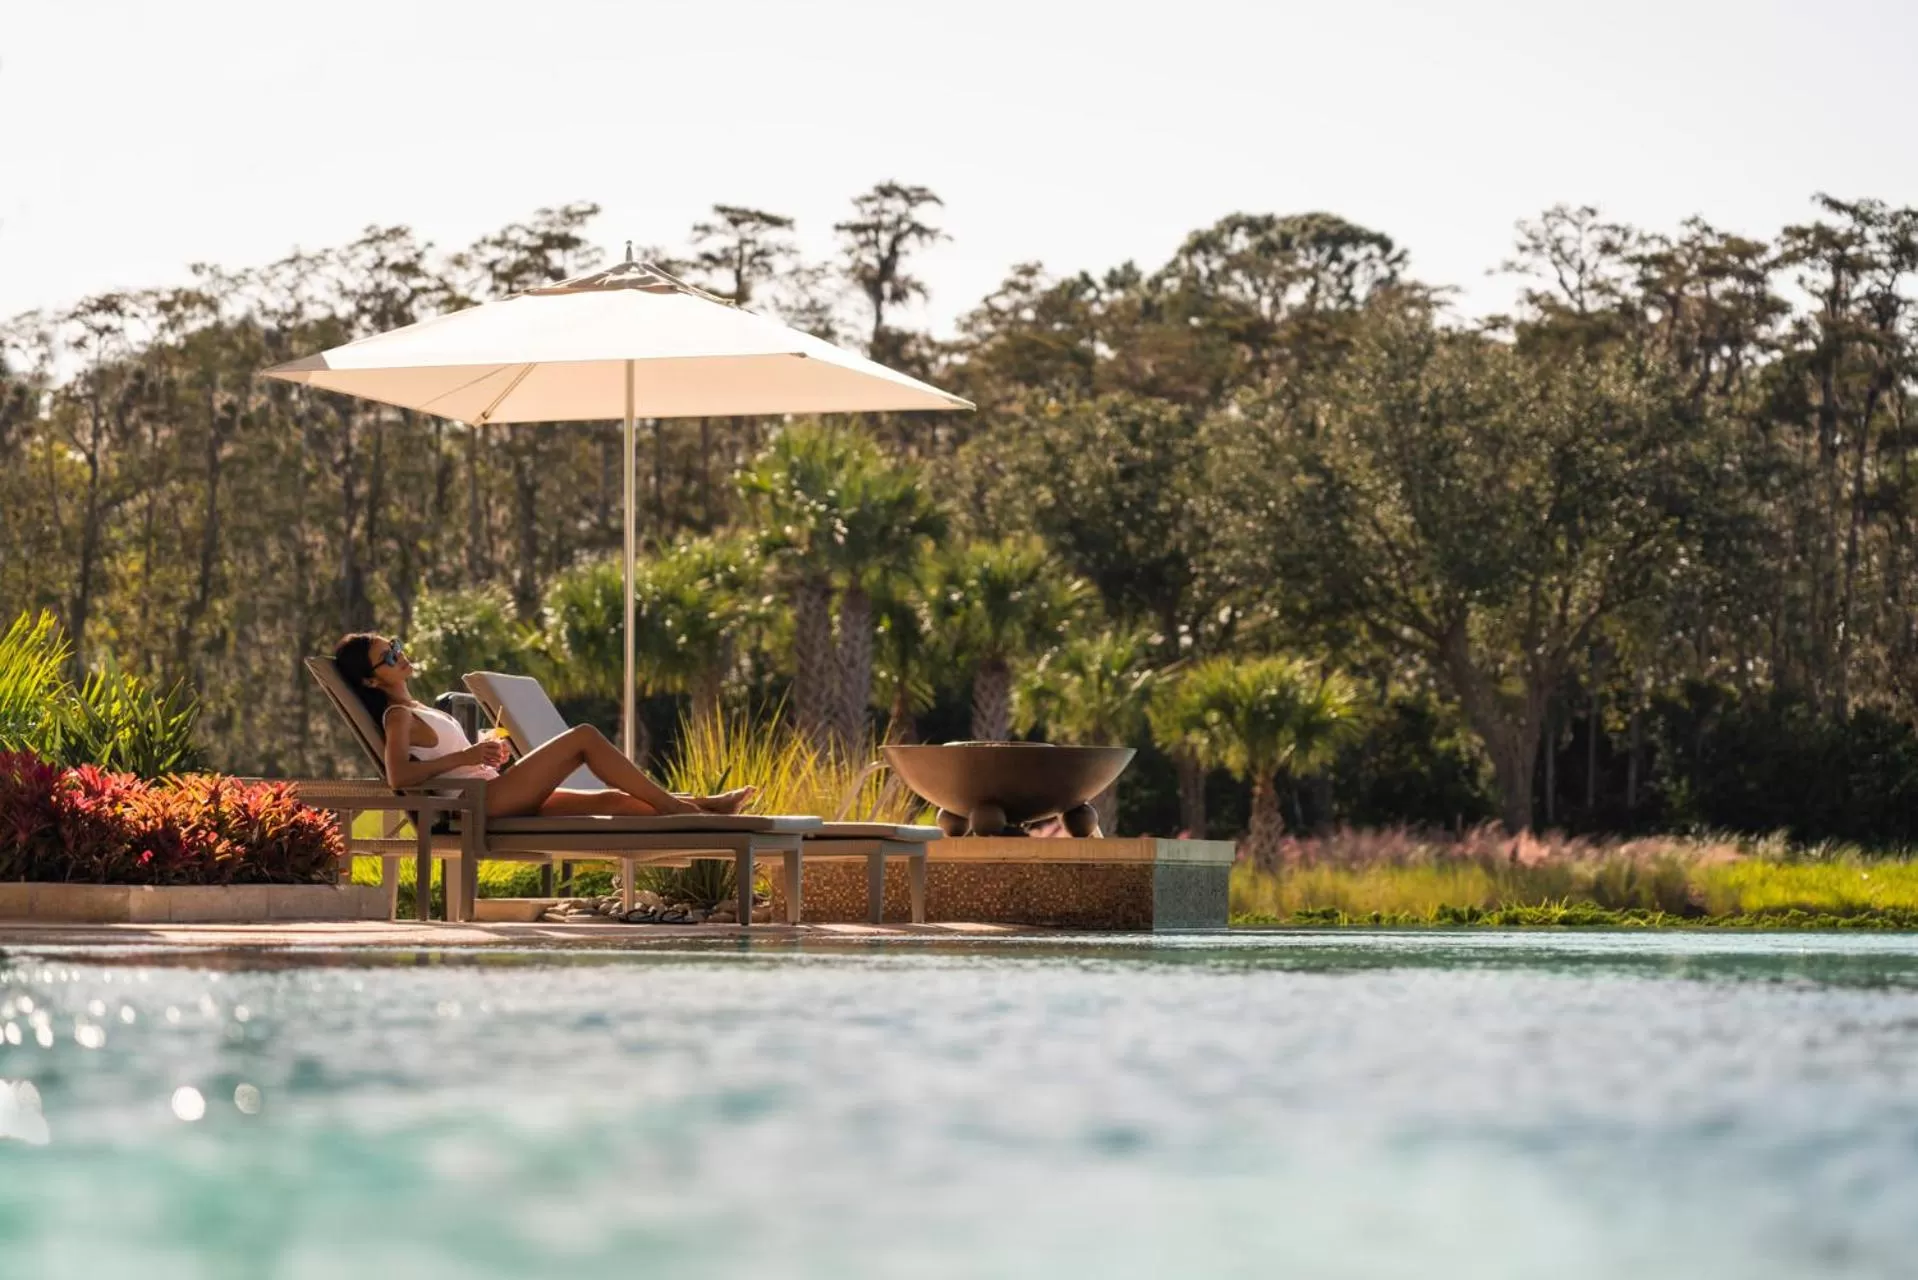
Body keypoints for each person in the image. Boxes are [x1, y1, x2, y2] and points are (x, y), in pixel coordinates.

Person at [332, 633, 753, 819]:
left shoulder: (422, 706)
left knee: (609, 802)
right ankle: (683, 810)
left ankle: (703, 805)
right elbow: (398, 776)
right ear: (371, 680)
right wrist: (469, 755)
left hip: (493, 789)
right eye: (388, 658)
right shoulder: (397, 715)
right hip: (481, 802)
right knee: (584, 737)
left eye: (396, 646)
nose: (399, 656)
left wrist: (483, 751)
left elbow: (451, 761)